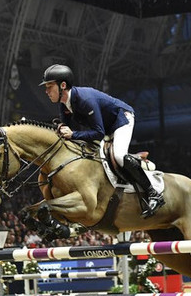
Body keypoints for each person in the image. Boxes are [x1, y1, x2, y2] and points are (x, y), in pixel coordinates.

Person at [39, 64, 164, 217]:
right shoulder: (64, 104)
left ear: (62, 85)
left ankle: (154, 194)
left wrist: (72, 134)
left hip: (121, 119)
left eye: (49, 87)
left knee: (119, 156)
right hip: (105, 126)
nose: (46, 91)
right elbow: (68, 130)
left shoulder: (85, 100)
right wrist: (61, 128)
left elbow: (98, 133)